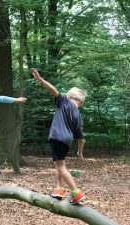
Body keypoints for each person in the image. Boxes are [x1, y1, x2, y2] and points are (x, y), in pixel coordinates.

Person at [31, 68, 86, 204]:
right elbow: (81, 137)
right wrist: (79, 152)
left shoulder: (65, 102)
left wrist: (40, 79)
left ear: (69, 96)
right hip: (67, 141)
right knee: (59, 164)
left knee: (61, 166)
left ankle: (76, 193)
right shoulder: (78, 115)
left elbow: (53, 90)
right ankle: (59, 190)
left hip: (57, 137)